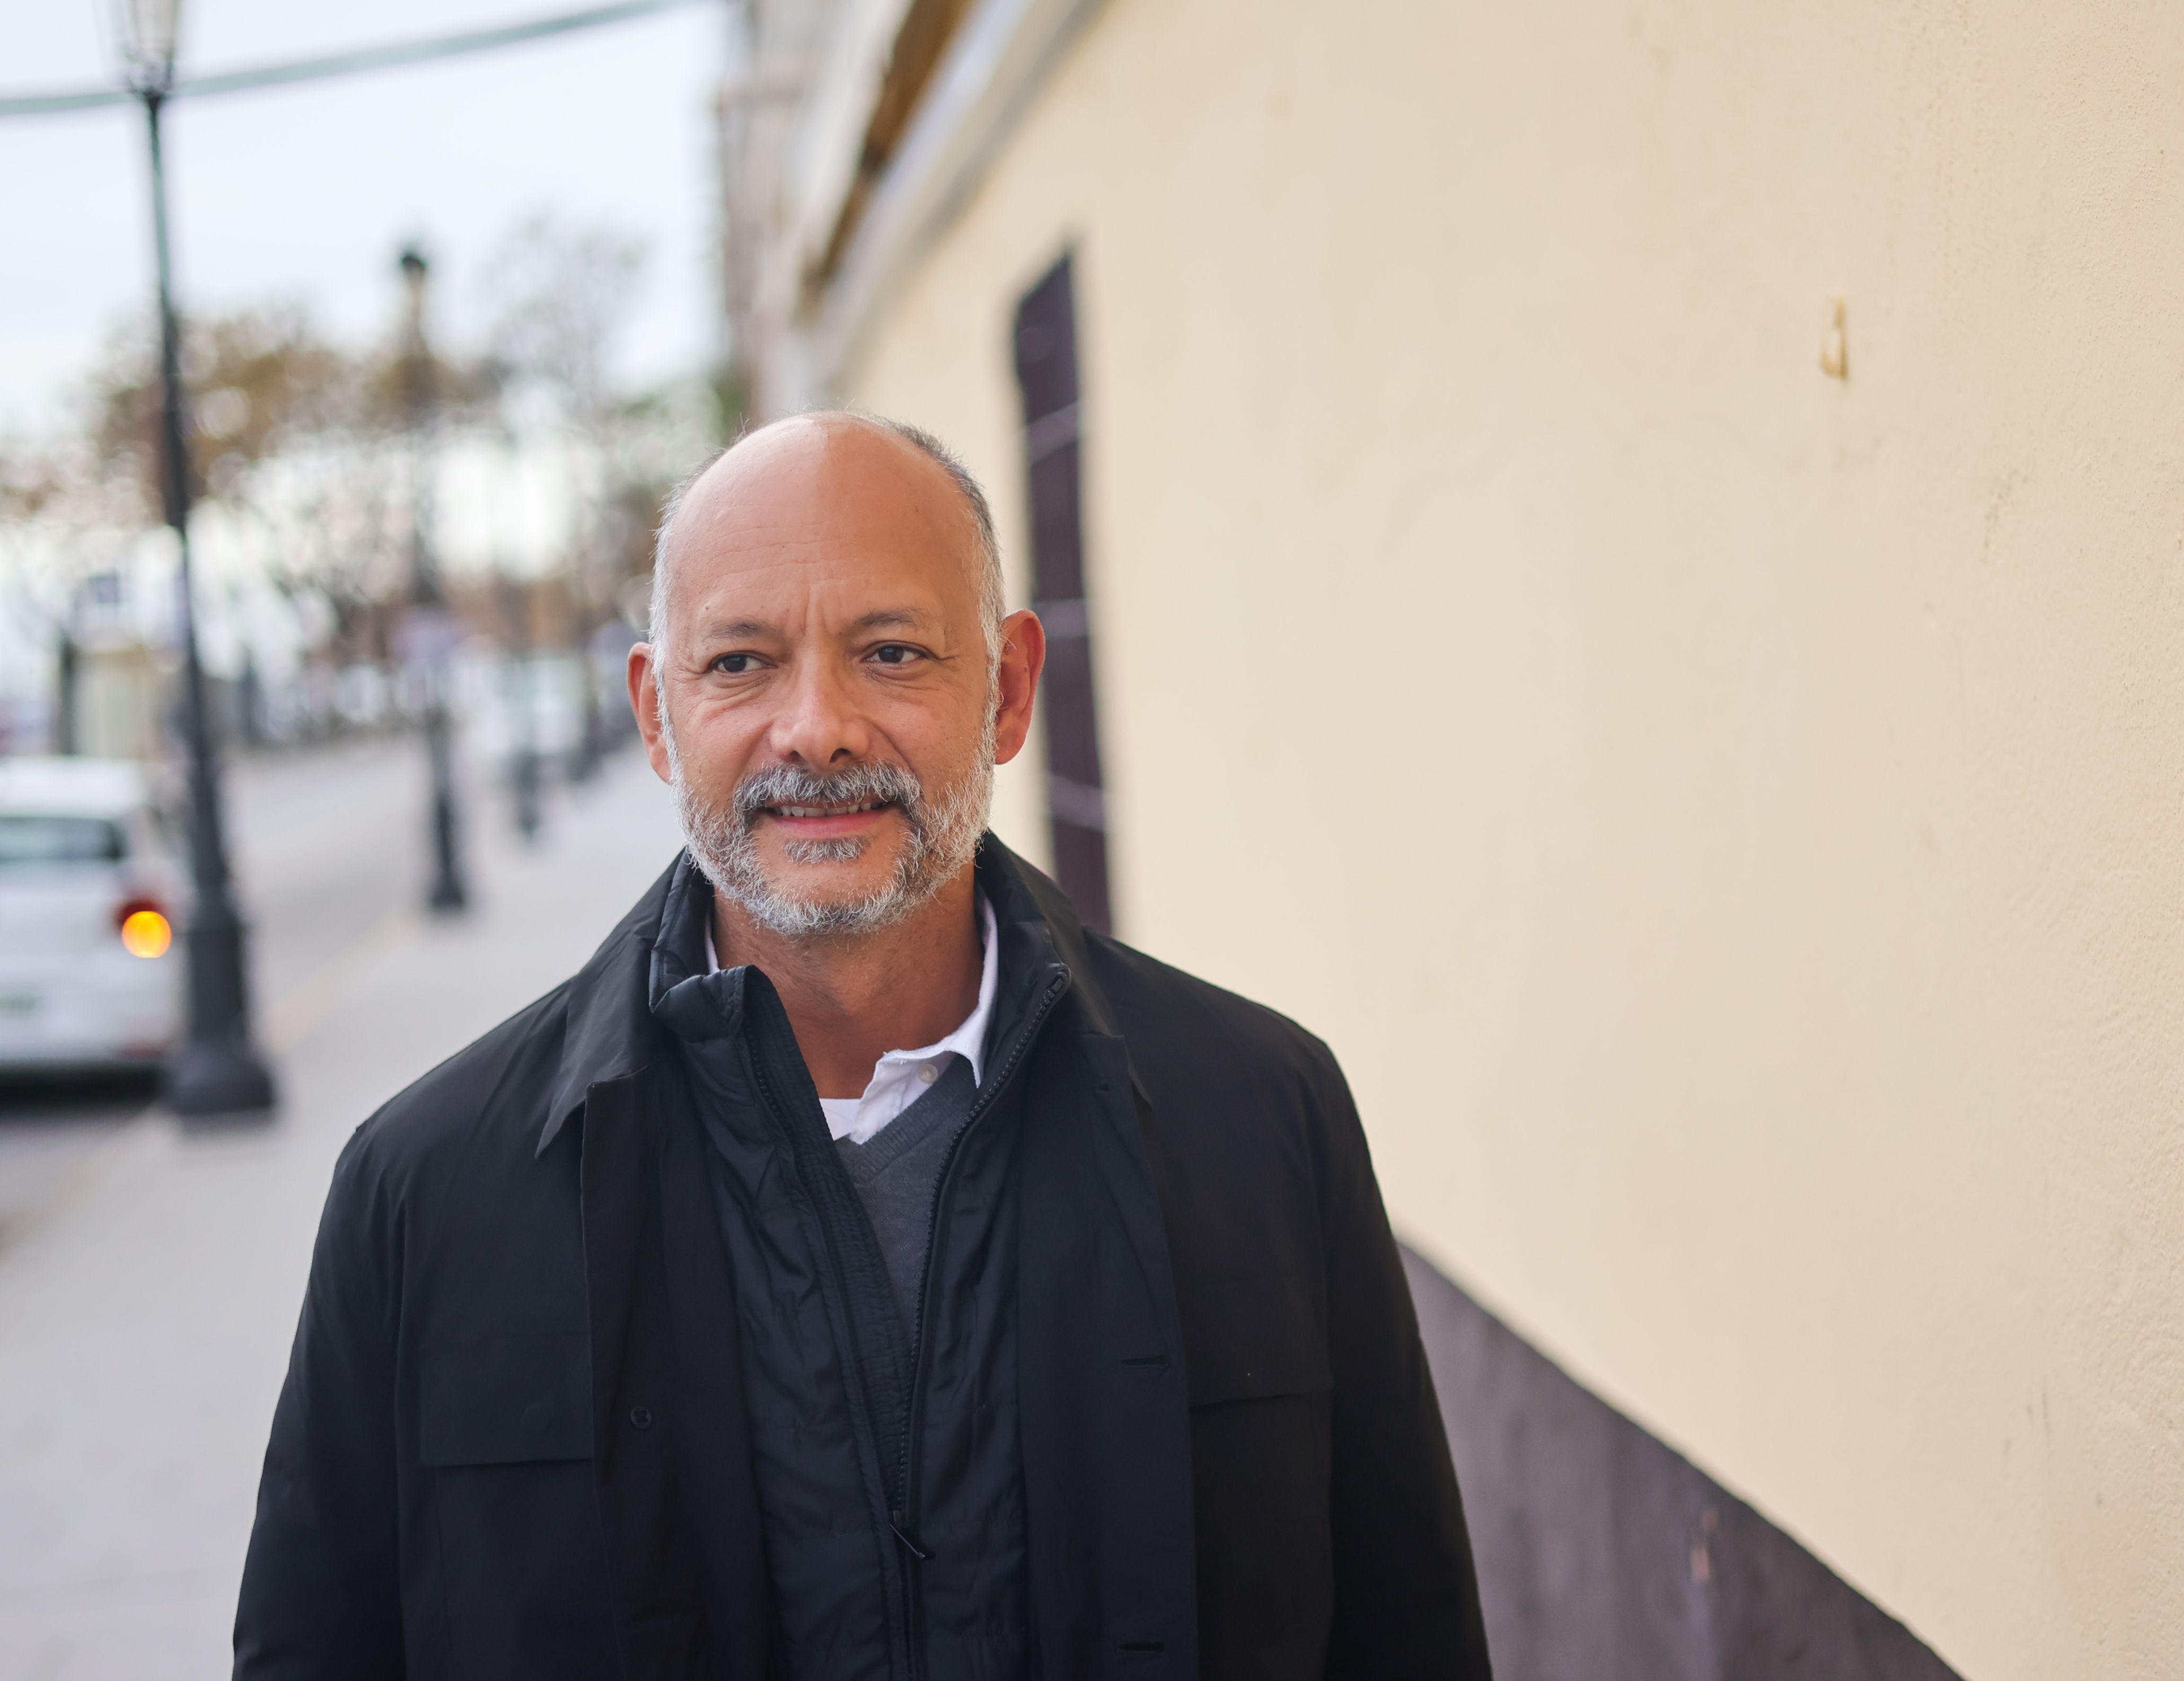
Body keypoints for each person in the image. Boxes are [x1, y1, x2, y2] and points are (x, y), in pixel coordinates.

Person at [232, 412, 1490, 1681]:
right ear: (657, 716)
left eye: (891, 652)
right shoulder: (428, 1192)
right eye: (740, 664)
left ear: (1005, 690)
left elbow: (1412, 1635)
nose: (817, 729)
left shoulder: (1264, 1118)